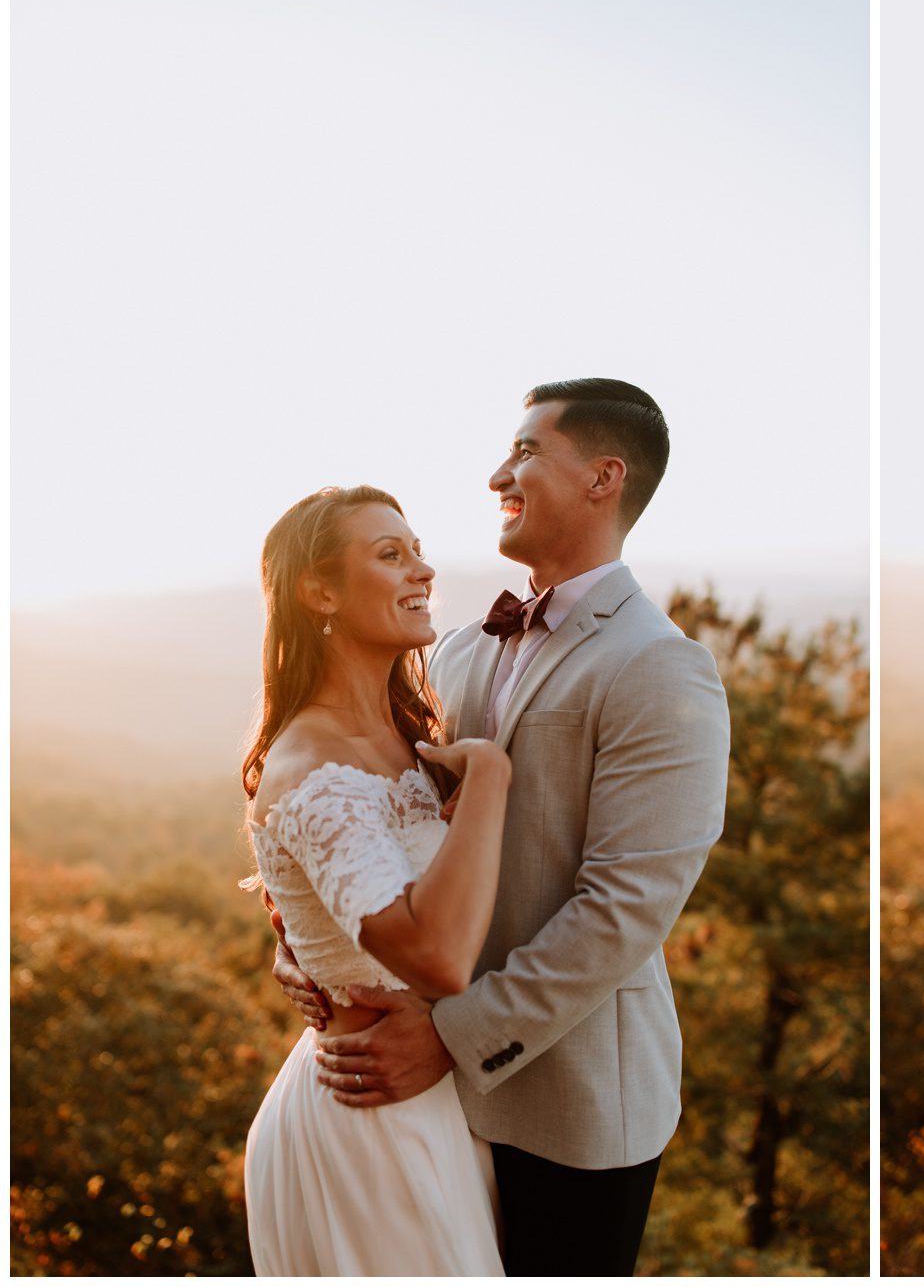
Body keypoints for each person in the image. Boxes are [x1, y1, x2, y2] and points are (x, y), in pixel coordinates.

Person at [271, 378, 732, 1275]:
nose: (497, 475)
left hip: (570, 1104)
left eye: (525, 452)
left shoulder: (661, 666)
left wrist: (453, 1036)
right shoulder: (455, 650)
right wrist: (310, 948)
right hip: (421, 1104)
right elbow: (357, 817)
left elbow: (628, 907)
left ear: (603, 477)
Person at [242, 485, 510, 1275]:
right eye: (390, 555)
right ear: (319, 592)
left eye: (417, 551)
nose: (423, 570)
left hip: (438, 1102)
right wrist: (489, 781)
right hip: (372, 1121)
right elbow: (437, 960)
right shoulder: (309, 763)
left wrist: (301, 949)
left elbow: (311, 897)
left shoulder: (409, 734)